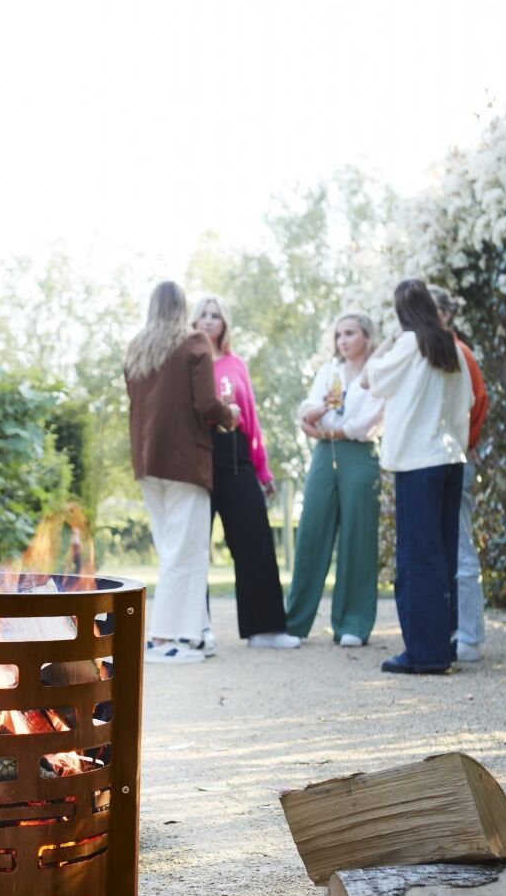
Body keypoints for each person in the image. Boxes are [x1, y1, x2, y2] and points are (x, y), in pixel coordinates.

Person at [361, 279, 473, 674]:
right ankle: (444, 645)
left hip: (417, 463)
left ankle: (424, 654)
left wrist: (389, 341)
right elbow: (467, 404)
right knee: (442, 556)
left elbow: (368, 380)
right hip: (450, 458)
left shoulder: (410, 344)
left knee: (417, 559)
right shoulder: (452, 348)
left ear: (401, 312)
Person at [125, 281, 239, 664]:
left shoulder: (138, 348)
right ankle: (163, 639)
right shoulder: (193, 344)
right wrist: (230, 416)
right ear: (182, 307)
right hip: (185, 461)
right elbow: (206, 403)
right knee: (184, 552)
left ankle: (196, 633)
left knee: (174, 550)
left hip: (147, 462)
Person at [190, 295, 300, 651]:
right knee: (191, 546)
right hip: (198, 455)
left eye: (215, 315)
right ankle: (195, 629)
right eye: (203, 315)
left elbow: (250, 418)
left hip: (236, 455)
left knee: (254, 539)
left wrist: (263, 469)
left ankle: (265, 629)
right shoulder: (186, 361)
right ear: (193, 321)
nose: (209, 320)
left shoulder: (236, 363)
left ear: (224, 323)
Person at [286, 311, 384, 646]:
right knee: (312, 531)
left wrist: (327, 429)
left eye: (350, 334)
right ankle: (295, 623)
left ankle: (353, 624)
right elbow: (308, 409)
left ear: (366, 337)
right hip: (323, 456)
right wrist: (312, 416)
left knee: (358, 538)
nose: (343, 341)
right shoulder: (329, 372)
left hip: (360, 454)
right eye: (339, 334)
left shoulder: (377, 374)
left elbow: (369, 421)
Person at [428, 285, 489, 662]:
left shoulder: (460, 353)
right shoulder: (418, 353)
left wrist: (462, 443)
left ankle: (470, 634)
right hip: (427, 461)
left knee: (461, 545)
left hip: (455, 458)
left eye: (434, 309)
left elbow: (477, 403)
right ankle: (444, 629)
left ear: (447, 315)